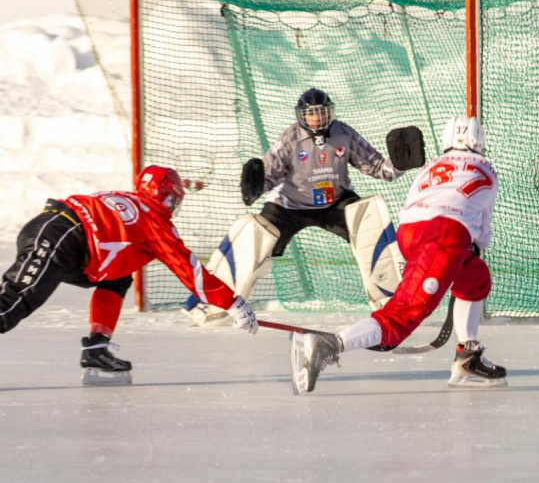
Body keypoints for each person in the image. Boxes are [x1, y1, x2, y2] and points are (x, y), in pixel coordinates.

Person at [291, 115, 507, 393]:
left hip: (410, 232)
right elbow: (483, 227)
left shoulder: (432, 166)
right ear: (480, 141)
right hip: (443, 237)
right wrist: (472, 243)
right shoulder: (486, 168)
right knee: (403, 316)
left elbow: (413, 204)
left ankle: (468, 355)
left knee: (476, 277)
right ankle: (329, 344)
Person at [0, 165, 259, 385]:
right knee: (14, 303)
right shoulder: (154, 219)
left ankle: (96, 347)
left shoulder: (127, 200)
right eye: (173, 201)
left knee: (118, 276)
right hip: (62, 237)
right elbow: (189, 270)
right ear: (167, 198)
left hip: (64, 237)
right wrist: (232, 302)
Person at [182, 87, 415, 322]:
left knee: (370, 221)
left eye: (322, 113)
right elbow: (270, 175)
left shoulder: (343, 133)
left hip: (335, 202)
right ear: (301, 116)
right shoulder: (290, 138)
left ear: (330, 113)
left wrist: (399, 164)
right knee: (251, 234)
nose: (317, 119)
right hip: (290, 206)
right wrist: (255, 185)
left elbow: (376, 167)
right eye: (311, 114)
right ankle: (208, 303)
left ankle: (394, 301)